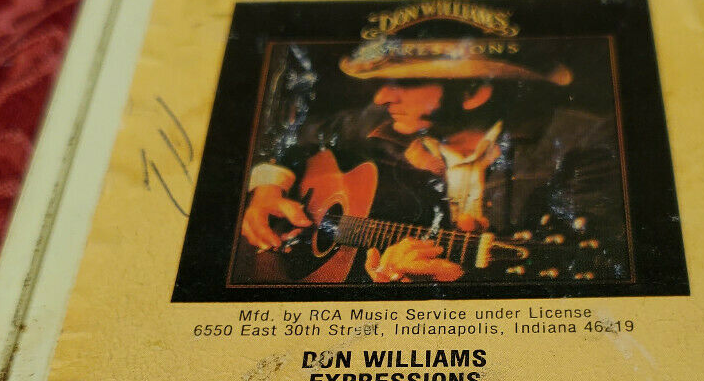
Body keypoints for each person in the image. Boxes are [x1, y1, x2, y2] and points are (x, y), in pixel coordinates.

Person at [238, 33, 574, 283]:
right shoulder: (376, 122)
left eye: (405, 83)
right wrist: (269, 187)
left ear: (473, 92)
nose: (382, 98)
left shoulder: (573, 147)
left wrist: (449, 280)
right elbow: (296, 136)